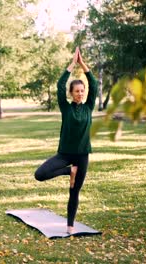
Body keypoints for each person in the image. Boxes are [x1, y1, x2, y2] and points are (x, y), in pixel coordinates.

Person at [34, 47, 98, 234]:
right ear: (71, 93)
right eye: (76, 91)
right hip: (65, 154)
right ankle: (69, 171)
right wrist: (72, 64)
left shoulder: (89, 107)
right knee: (40, 174)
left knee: (74, 191)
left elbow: (93, 84)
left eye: (81, 91)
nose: (80, 93)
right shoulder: (66, 107)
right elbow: (60, 85)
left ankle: (70, 226)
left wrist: (83, 64)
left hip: (83, 155)